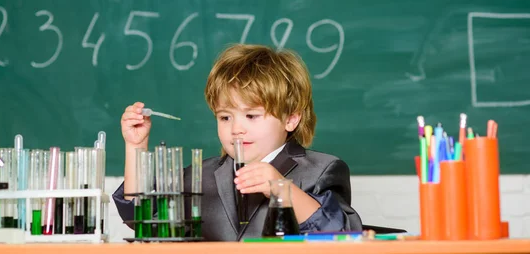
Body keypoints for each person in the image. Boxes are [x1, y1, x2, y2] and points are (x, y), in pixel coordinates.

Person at [112, 44, 362, 241]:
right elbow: (142, 219)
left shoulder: (321, 170)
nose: (236, 129)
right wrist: (136, 146)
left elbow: (341, 233)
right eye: (225, 117)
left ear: (291, 119)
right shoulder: (202, 175)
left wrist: (282, 189)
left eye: (252, 115)